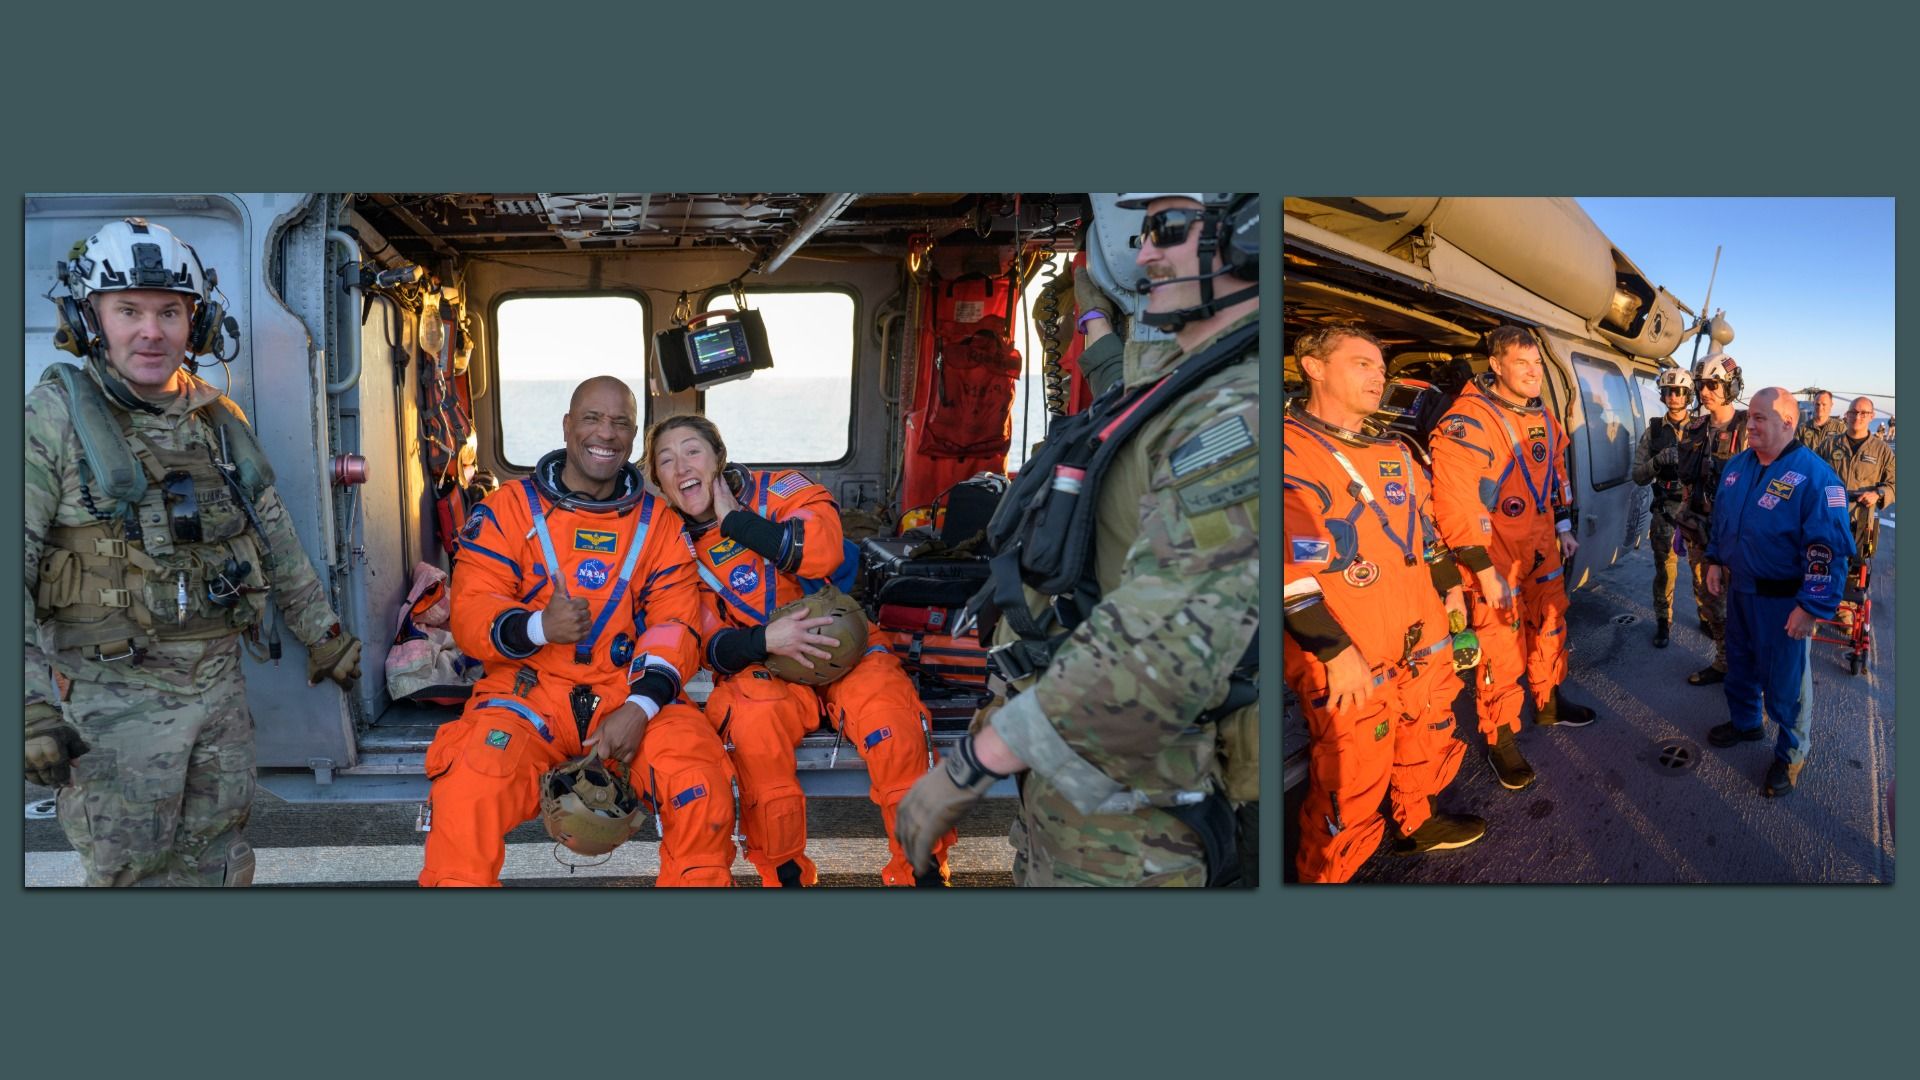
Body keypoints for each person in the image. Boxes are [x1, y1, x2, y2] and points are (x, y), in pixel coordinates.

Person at [894, 192, 1260, 887]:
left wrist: (973, 765)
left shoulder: (1232, 416)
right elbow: (1121, 380)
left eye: (1167, 228)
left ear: (1248, 235)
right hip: (1082, 778)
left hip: (1144, 804)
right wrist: (1090, 306)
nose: (1144, 251)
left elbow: (1165, 646)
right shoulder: (1178, 386)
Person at [25, 217, 362, 886]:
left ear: (196, 325)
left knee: (223, 866)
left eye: (170, 312)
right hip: (115, 701)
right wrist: (30, 705)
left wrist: (322, 633)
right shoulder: (52, 422)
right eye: (129, 311)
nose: (151, 331)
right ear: (88, 318)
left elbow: (272, 536)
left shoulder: (216, 420)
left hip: (217, 693)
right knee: (132, 876)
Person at [420, 377, 736, 886]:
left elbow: (675, 623)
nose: (605, 434)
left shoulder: (659, 525)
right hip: (527, 694)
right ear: (568, 426)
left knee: (699, 783)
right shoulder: (509, 510)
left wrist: (640, 707)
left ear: (633, 438)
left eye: (620, 424)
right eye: (592, 418)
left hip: (626, 692)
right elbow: (473, 612)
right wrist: (539, 626)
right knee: (468, 788)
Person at [646, 415, 955, 886]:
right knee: (752, 724)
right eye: (666, 461)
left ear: (718, 456)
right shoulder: (668, 545)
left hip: (843, 647)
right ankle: (786, 876)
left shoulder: (781, 491)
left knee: (891, 720)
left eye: (692, 451)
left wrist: (739, 524)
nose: (681, 466)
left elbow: (824, 552)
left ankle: (922, 870)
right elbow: (703, 645)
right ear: (661, 483)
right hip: (763, 666)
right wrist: (765, 641)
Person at [1282, 326, 1485, 882]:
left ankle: (1418, 823)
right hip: (1351, 650)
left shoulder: (1395, 451)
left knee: (1426, 730)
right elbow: (1286, 573)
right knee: (1350, 780)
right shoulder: (1286, 451)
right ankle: (1326, 878)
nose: (1378, 376)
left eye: (1381, 367)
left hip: (1420, 636)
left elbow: (1427, 536)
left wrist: (1450, 594)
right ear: (1313, 366)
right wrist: (1334, 650)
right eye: (1362, 364)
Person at [1428, 325, 1596, 792]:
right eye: (1522, 364)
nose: (1533, 373)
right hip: (1495, 553)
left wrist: (1563, 526)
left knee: (1551, 625)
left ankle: (1548, 702)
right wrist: (1480, 568)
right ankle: (1501, 739)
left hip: (1542, 542)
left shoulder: (1542, 415)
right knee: (1499, 652)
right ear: (1496, 366)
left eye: (1537, 364)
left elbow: (1557, 472)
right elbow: (1456, 502)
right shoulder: (1468, 421)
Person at [1702, 387, 1854, 797]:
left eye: (1760, 418)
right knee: (1740, 664)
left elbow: (1828, 552)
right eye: (1748, 416)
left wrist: (1811, 607)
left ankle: (1791, 756)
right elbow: (1723, 519)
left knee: (1788, 684)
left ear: (1789, 421)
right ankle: (1748, 722)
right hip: (1741, 592)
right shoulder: (1737, 467)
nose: (1749, 424)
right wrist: (1716, 559)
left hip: (1784, 602)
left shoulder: (1817, 479)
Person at [1674, 353, 1749, 685]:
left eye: (1712, 385)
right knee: (1711, 604)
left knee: (1745, 608)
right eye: (1701, 385)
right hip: (1700, 531)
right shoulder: (1693, 429)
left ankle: (1750, 672)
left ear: (1730, 387)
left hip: (1740, 536)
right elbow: (1688, 482)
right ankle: (1724, 661)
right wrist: (1682, 522)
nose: (1704, 392)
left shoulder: (1749, 428)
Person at [1631, 366, 1695, 648]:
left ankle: (1708, 617)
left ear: (1688, 395)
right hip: (1666, 509)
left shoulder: (1701, 429)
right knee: (1665, 570)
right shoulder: (1653, 432)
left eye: (1679, 391)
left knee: (1703, 571)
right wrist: (1658, 462)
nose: (1673, 396)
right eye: (1668, 391)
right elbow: (1638, 475)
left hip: (1696, 510)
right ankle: (1663, 621)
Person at [1814, 396, 1894, 612]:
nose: (1857, 417)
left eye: (1863, 413)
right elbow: (1813, 475)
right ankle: (1815, 606)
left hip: (1861, 521)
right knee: (1821, 561)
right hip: (1828, 517)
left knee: (1854, 568)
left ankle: (1843, 610)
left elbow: (1893, 483)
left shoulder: (1882, 451)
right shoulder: (1829, 445)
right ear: (1846, 415)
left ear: (1872, 416)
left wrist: (1878, 493)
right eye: (1853, 412)